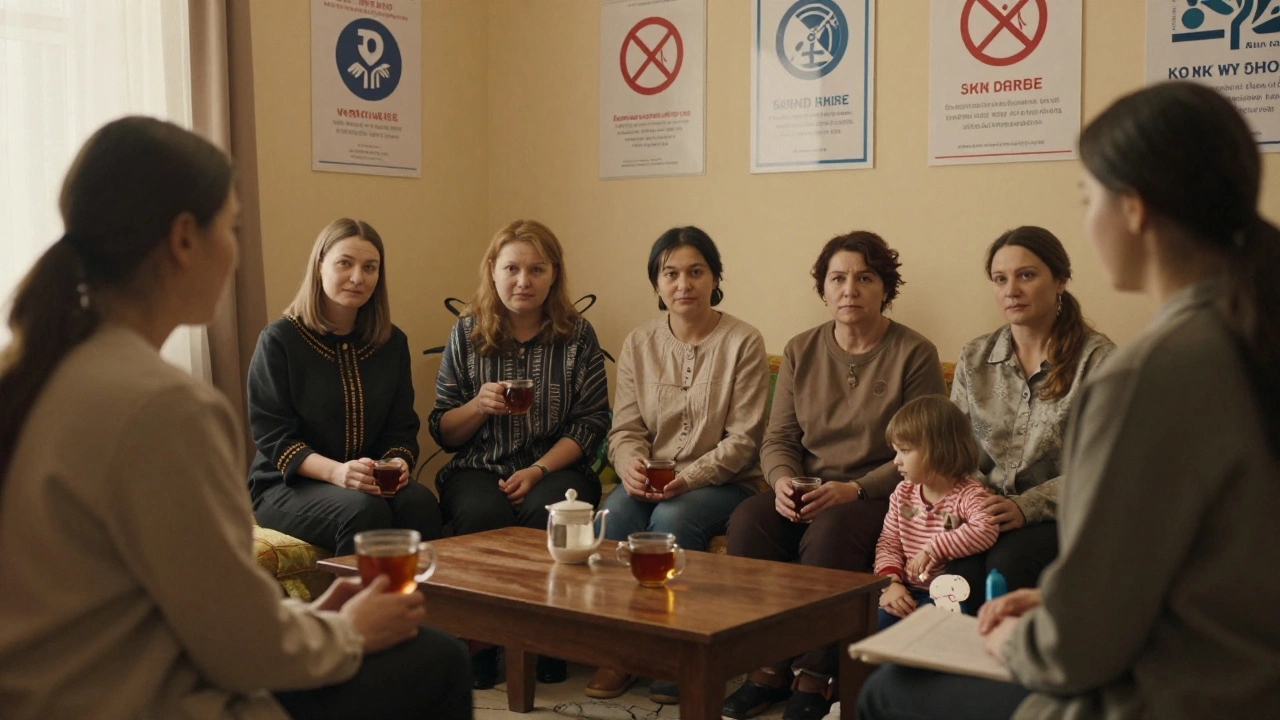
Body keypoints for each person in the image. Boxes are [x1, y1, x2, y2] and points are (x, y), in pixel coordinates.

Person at [0, 117, 471, 719]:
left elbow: (195, 606)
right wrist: (348, 631)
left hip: (59, 685)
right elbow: (241, 648)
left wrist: (311, 616)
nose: (235, 250)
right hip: (131, 699)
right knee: (436, 660)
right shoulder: (164, 407)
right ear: (185, 239)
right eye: (232, 227)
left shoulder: (39, 370)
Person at [858, 81, 1280, 720]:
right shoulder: (1249, 333)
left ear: (1133, 209)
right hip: (1244, 671)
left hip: (1172, 693)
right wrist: (1055, 607)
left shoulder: (1141, 374)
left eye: (1088, 199)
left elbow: (1076, 650)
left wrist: (1017, 637)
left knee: (887, 691)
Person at [722, 230, 947, 720]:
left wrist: (856, 489)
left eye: (864, 278)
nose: (850, 290)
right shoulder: (800, 349)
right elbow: (779, 438)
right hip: (809, 486)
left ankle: (817, 674)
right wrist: (782, 481)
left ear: (885, 288)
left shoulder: (915, 352)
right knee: (749, 519)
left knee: (831, 531)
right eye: (838, 278)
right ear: (823, 289)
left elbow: (924, 449)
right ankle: (765, 667)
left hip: (884, 493)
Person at [585, 226, 770, 703]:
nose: (683, 284)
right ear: (656, 282)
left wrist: (688, 478)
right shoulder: (638, 343)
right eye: (670, 274)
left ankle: (676, 654)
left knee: (672, 518)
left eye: (696, 272)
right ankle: (620, 650)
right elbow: (625, 428)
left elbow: (743, 441)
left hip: (724, 482)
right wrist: (630, 464)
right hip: (651, 478)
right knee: (615, 513)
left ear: (715, 278)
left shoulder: (743, 341)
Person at [429, 219, 611, 688]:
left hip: (555, 466)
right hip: (479, 466)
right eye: (512, 268)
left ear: (554, 274)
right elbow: (444, 430)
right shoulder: (467, 333)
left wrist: (537, 470)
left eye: (537, 269)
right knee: (481, 514)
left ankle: (543, 641)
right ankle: (483, 642)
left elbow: (591, 423)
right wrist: (477, 406)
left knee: (547, 514)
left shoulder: (578, 336)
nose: (523, 281)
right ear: (493, 270)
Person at [247, 218, 442, 556]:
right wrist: (337, 472)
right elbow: (273, 435)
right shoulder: (280, 340)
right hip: (287, 485)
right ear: (319, 266)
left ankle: (421, 593)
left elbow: (401, 428)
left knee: (421, 503)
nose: (357, 277)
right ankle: (354, 595)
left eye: (370, 267)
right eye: (345, 263)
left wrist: (398, 461)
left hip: (366, 481)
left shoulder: (392, 342)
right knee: (364, 511)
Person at [947, 227, 1114, 604]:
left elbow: (1105, 466)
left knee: (1008, 563)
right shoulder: (974, 357)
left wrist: (1025, 507)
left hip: (1062, 516)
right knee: (957, 575)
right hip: (982, 512)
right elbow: (954, 449)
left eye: (1026, 275)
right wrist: (971, 504)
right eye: (1000, 279)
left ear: (1060, 280)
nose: (1011, 290)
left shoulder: (1098, 362)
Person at [875, 395, 997, 630]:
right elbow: (889, 542)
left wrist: (935, 548)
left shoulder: (969, 494)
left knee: (926, 633)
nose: (896, 461)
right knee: (876, 629)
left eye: (904, 451)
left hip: (946, 596)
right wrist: (891, 583)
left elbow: (986, 528)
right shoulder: (902, 493)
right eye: (896, 451)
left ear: (938, 450)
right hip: (905, 590)